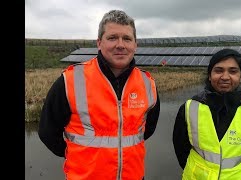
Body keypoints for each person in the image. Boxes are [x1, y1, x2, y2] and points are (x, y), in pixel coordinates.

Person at [38, 10, 160, 180]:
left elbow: (148, 130)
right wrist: (76, 155)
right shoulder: (71, 80)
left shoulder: (148, 83)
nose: (120, 45)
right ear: (99, 43)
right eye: (112, 38)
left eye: (127, 38)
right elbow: (47, 132)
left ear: (135, 44)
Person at [172, 48, 241, 180]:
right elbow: (181, 149)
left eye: (233, 71)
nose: (225, 77)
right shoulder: (189, 108)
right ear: (210, 75)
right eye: (219, 70)